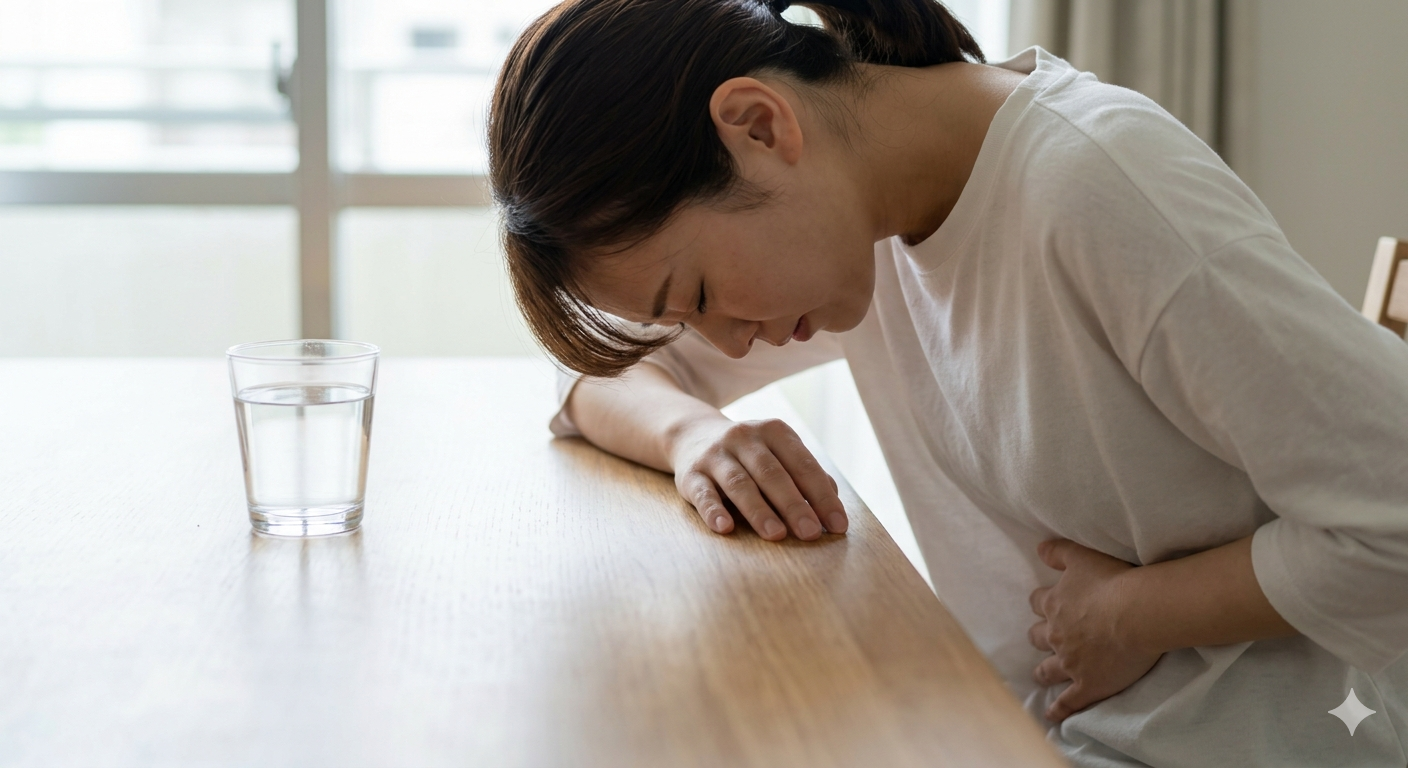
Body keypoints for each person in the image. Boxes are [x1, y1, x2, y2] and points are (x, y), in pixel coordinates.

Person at [487, 0, 1408, 764]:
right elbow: (594, 386)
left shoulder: (1096, 188)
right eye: (685, 319)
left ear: (761, 126)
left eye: (693, 293)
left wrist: (1131, 615)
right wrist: (695, 437)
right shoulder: (870, 215)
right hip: (1021, 728)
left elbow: (1395, 513)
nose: (722, 344)